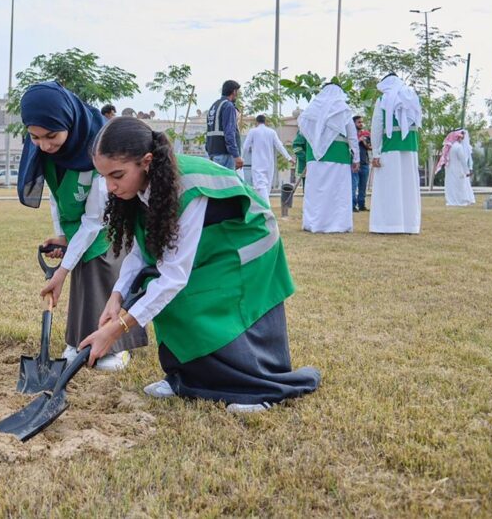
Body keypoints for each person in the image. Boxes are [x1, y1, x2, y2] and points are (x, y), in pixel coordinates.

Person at [82, 116, 320, 413]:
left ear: (146, 161)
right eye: (104, 177)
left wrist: (118, 328)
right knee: (162, 296)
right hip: (212, 243)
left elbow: (173, 278)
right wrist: (116, 296)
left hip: (245, 243)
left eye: (116, 175)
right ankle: (184, 378)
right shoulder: (136, 186)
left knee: (201, 304)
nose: (110, 186)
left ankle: (260, 388)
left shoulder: (184, 187)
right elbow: (141, 251)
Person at [18, 82, 147, 371]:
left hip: (107, 228)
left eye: (51, 135)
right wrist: (63, 236)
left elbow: (94, 220)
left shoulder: (97, 146)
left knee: (102, 274)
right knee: (85, 282)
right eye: (35, 137)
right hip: (81, 229)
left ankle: (118, 348)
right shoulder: (45, 151)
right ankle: (78, 341)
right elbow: (56, 195)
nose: (45, 145)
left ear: (68, 121)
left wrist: (61, 272)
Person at [297, 85, 359, 233]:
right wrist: (356, 158)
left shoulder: (311, 111)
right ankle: (338, 224)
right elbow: (352, 136)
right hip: (339, 158)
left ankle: (313, 223)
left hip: (315, 158)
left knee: (316, 192)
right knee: (338, 191)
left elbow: (303, 131)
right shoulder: (343, 110)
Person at [369, 74, 422, 234]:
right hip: (410, 150)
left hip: (389, 150)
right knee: (408, 188)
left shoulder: (384, 100)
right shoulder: (412, 97)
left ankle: (387, 225)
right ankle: (409, 226)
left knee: (389, 188)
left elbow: (377, 127)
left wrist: (376, 152)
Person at [240, 114, 294, 204]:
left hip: (257, 164)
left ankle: (266, 209)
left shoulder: (253, 132)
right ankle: (263, 208)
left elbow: (245, 147)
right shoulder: (271, 132)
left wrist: (241, 158)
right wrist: (289, 158)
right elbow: (279, 146)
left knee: (260, 187)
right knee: (266, 188)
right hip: (269, 164)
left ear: (256, 122)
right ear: (265, 122)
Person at [205, 80, 242, 171]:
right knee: (228, 183)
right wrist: (236, 155)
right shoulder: (228, 106)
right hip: (224, 154)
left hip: (213, 152)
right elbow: (229, 132)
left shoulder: (214, 106)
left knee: (216, 183)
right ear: (234, 91)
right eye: (237, 92)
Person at [435, 129, 475, 206]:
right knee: (459, 186)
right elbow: (463, 161)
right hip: (458, 170)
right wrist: (467, 171)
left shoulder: (448, 147)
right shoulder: (458, 147)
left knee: (451, 186)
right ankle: (460, 201)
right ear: (458, 138)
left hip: (449, 169)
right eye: (460, 138)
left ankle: (451, 201)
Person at [352, 115, 372, 211]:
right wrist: (358, 140)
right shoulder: (350, 134)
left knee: (363, 186)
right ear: (354, 123)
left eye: (362, 122)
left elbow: (371, 147)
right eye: (359, 122)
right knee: (353, 185)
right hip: (354, 164)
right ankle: (352, 205)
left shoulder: (367, 134)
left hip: (364, 163)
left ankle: (361, 205)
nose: (361, 124)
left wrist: (365, 143)